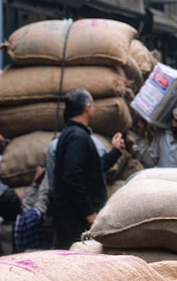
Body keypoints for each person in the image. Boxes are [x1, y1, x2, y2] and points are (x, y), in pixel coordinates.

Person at [53, 88, 125, 249]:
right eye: (92, 105)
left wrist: (115, 151)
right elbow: (72, 177)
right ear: (87, 108)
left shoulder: (74, 134)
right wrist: (89, 213)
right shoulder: (78, 138)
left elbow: (93, 170)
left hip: (74, 215)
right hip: (76, 218)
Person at [0, 165, 51, 254]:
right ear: (20, 209)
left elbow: (26, 205)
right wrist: (47, 172)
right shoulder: (31, 220)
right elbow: (43, 198)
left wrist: (35, 182)